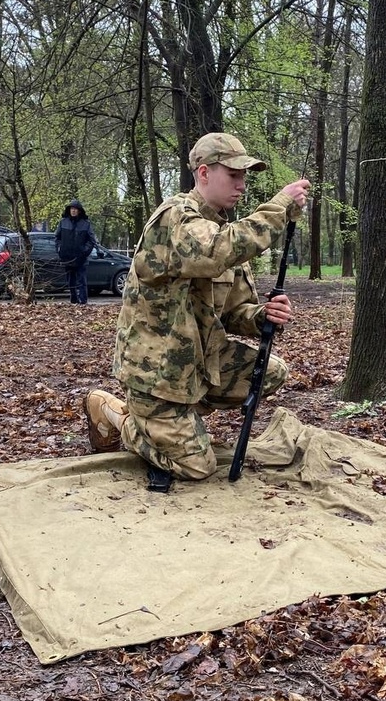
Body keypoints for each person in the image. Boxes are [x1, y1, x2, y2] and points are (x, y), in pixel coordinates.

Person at [84, 132, 310, 490]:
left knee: (270, 371)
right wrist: (280, 206)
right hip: (157, 375)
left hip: (196, 364)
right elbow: (216, 251)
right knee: (196, 467)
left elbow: (235, 311)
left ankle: (177, 420)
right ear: (204, 173)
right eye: (233, 175)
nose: (241, 185)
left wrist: (263, 316)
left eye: (244, 176)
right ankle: (120, 416)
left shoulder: (220, 230)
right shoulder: (175, 218)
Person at [55, 199, 97, 305]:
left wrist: (84, 251)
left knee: (82, 280)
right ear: (69, 210)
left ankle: (83, 302)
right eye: (72, 209)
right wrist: (59, 249)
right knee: (70, 281)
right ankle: (73, 300)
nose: (73, 211)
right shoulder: (63, 222)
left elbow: (91, 240)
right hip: (67, 257)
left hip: (81, 257)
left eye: (75, 209)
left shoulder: (86, 224)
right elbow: (57, 238)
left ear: (79, 211)